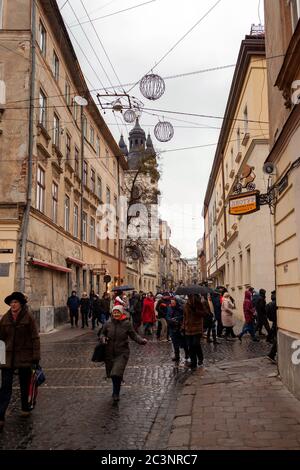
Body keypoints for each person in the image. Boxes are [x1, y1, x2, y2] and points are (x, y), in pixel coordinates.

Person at [0, 292, 40, 431]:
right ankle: (0, 415)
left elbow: (35, 337)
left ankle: (25, 408)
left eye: (15, 302)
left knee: (25, 384)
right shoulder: (5, 318)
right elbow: (1, 339)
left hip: (25, 356)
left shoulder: (28, 317)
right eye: (11, 303)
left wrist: (36, 357)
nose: (13, 305)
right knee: (5, 387)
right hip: (8, 358)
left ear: (21, 304)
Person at [99, 305, 147, 403]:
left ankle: (116, 393)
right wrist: (103, 338)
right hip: (109, 353)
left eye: (118, 312)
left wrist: (141, 341)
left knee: (116, 372)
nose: (116, 314)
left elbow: (133, 335)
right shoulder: (108, 323)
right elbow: (102, 334)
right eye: (114, 312)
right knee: (112, 374)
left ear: (121, 313)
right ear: (112, 313)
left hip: (122, 352)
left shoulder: (127, 324)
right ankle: (116, 388)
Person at [183, 294, 205, 371]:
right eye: (189, 297)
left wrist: (195, 310)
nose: (189, 298)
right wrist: (183, 326)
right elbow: (184, 316)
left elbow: (203, 314)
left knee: (195, 344)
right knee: (190, 346)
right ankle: (193, 362)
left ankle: (200, 358)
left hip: (197, 327)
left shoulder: (199, 304)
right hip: (188, 328)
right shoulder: (186, 305)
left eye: (191, 296)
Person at [166, 298, 189, 364]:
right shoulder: (169, 308)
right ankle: (177, 356)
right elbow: (167, 316)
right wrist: (170, 320)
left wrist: (177, 319)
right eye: (171, 303)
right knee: (174, 343)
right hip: (172, 328)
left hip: (180, 328)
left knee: (183, 343)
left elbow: (183, 316)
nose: (172, 304)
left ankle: (187, 354)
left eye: (173, 303)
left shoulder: (180, 309)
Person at [267, 291, 277, 362]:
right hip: (278, 322)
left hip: (274, 322)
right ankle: (271, 354)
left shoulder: (270, 304)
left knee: (276, 339)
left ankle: (272, 354)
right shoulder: (276, 303)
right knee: (277, 340)